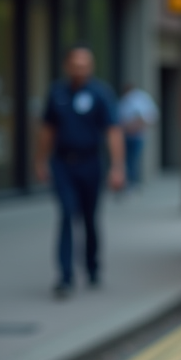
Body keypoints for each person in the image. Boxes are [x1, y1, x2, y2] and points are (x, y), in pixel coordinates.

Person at [34, 46, 125, 297]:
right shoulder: (57, 92)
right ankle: (65, 276)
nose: (80, 70)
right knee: (65, 214)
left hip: (90, 163)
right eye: (76, 65)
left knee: (89, 218)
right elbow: (47, 129)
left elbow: (113, 130)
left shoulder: (100, 93)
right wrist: (41, 161)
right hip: (63, 163)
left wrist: (117, 167)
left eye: (85, 65)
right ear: (67, 66)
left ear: (91, 67)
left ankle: (93, 267)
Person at [118, 83, 159, 189]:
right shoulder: (124, 100)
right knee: (127, 160)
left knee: (133, 159)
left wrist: (135, 126)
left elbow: (149, 117)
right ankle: (128, 182)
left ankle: (133, 182)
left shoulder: (140, 99)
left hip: (137, 136)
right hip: (125, 135)